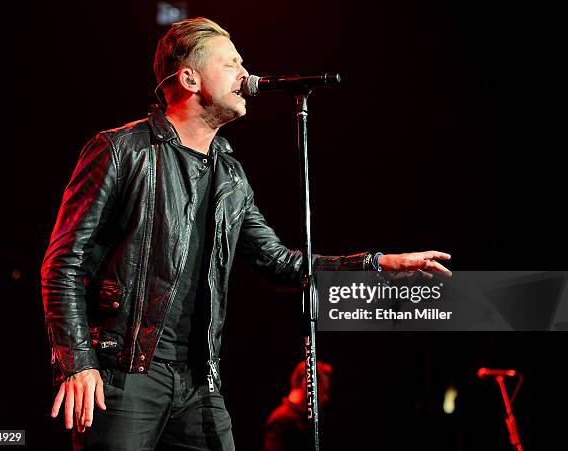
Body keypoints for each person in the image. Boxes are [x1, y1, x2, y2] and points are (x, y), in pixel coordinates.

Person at [41, 17, 451, 451]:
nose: (246, 74)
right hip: (124, 375)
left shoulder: (230, 177)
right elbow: (63, 263)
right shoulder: (122, 150)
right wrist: (77, 363)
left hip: (199, 382)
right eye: (231, 62)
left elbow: (280, 263)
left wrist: (375, 264)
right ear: (189, 78)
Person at [262, 361, 333, 451]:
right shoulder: (282, 420)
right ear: (308, 384)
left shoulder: (298, 419)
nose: (326, 398)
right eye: (324, 392)